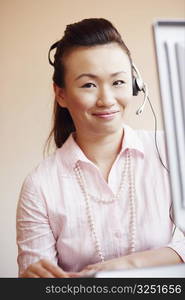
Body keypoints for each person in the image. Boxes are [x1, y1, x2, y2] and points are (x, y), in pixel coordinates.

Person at [16, 18, 185, 278]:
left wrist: (124, 266)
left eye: (118, 82)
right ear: (60, 94)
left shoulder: (170, 150)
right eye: (88, 85)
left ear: (135, 85)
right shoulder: (40, 186)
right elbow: (37, 283)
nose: (106, 100)